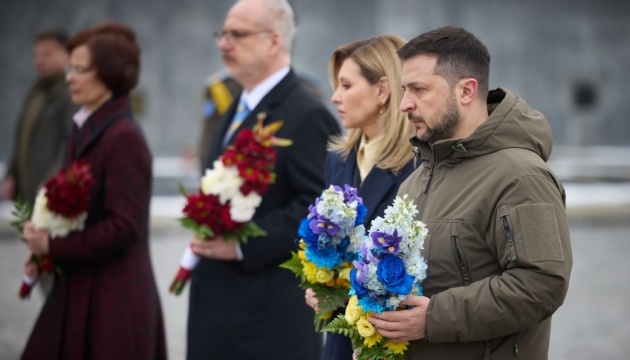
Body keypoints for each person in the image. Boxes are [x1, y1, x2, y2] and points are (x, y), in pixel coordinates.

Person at [364, 26, 572, 360]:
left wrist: (433, 319)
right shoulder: (413, 183)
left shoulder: (523, 177)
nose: (404, 104)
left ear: (466, 91)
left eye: (418, 89)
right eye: (404, 89)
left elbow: (542, 285)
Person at [186, 1, 341, 359]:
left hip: (266, 317)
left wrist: (241, 244)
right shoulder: (233, 108)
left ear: (274, 41)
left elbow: (319, 209)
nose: (223, 44)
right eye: (222, 34)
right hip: (220, 310)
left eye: (236, 34)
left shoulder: (307, 113)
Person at [21, 22, 167, 359]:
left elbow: (124, 227)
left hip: (113, 303)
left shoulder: (123, 138)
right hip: (80, 287)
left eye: (80, 69)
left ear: (110, 75)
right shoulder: (84, 126)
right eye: (70, 67)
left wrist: (54, 245)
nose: (69, 76)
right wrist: (45, 237)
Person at [303, 35, 418, 360]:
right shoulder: (338, 160)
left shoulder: (419, 164)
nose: (335, 97)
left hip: (392, 341)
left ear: (382, 90)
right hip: (342, 340)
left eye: (346, 86)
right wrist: (322, 288)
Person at [3, 29, 76, 205]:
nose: (40, 60)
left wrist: (52, 181)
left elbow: (71, 142)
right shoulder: (36, 92)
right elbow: (23, 138)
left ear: (65, 55)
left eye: (47, 54)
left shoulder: (71, 93)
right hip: (27, 192)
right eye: (37, 55)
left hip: (49, 195)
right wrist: (11, 174)